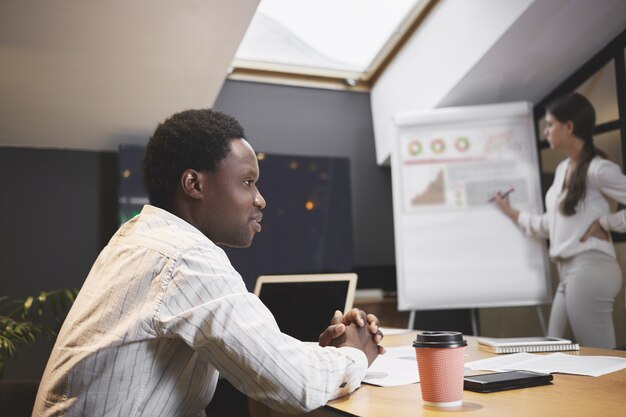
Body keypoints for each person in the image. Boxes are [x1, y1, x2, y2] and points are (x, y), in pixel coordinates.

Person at [32, 109, 384, 416]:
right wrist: (356, 354)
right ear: (193, 184)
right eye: (247, 182)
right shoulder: (185, 258)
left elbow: (262, 359)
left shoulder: (140, 238)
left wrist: (324, 354)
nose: (260, 200)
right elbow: (296, 386)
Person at [493, 92, 624, 349]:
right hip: (569, 272)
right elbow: (549, 224)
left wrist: (607, 222)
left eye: (550, 124)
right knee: (553, 349)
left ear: (569, 126)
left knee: (599, 356)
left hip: (591, 268)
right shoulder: (565, 169)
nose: (546, 131)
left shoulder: (598, 168)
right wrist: (510, 211)